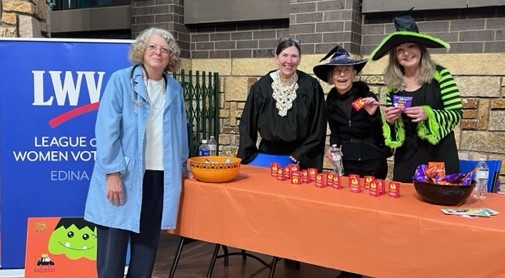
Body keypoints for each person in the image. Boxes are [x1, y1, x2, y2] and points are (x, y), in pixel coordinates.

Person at [84, 27, 189, 278]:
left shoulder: (174, 89)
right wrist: (112, 172)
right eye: (152, 47)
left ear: (170, 57)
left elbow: (180, 131)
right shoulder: (120, 80)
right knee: (112, 252)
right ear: (141, 51)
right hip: (124, 175)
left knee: (146, 251)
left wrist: (183, 167)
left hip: (158, 177)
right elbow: (107, 129)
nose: (158, 52)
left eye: (165, 49)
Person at [369, 9, 462, 182]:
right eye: (400, 50)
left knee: (436, 201)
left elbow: (456, 114)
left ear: (421, 49)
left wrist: (429, 114)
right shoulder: (393, 85)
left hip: (438, 155)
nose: (406, 53)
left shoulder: (441, 75)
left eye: (411, 46)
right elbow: (395, 131)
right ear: (395, 56)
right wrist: (390, 121)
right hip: (406, 158)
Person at [237, 37, 327, 172]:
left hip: (299, 159)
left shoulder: (311, 86)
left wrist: (301, 154)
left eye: (294, 56)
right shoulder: (261, 87)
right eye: (284, 55)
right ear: (276, 58)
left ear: (299, 59)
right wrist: (250, 156)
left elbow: (318, 127)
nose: (289, 61)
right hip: (266, 157)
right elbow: (247, 124)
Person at [313, 45, 390, 181]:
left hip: (372, 161)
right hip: (347, 163)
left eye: (346, 70)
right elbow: (335, 133)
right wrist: (333, 147)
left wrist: (373, 116)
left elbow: (379, 134)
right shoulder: (330, 102)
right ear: (331, 76)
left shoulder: (367, 96)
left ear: (354, 74)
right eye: (337, 71)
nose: (342, 75)